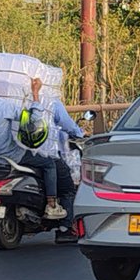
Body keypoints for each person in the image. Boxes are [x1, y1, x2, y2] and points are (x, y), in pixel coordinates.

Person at [0, 72, 66, 220]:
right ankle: (51, 205)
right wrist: (35, 93)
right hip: (12, 155)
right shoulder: (4, 106)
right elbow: (34, 118)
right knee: (49, 164)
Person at [41, 98, 86, 241]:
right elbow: (68, 125)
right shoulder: (50, 102)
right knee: (67, 188)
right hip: (47, 152)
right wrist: (79, 133)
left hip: (18, 154)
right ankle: (65, 229)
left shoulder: (16, 101)